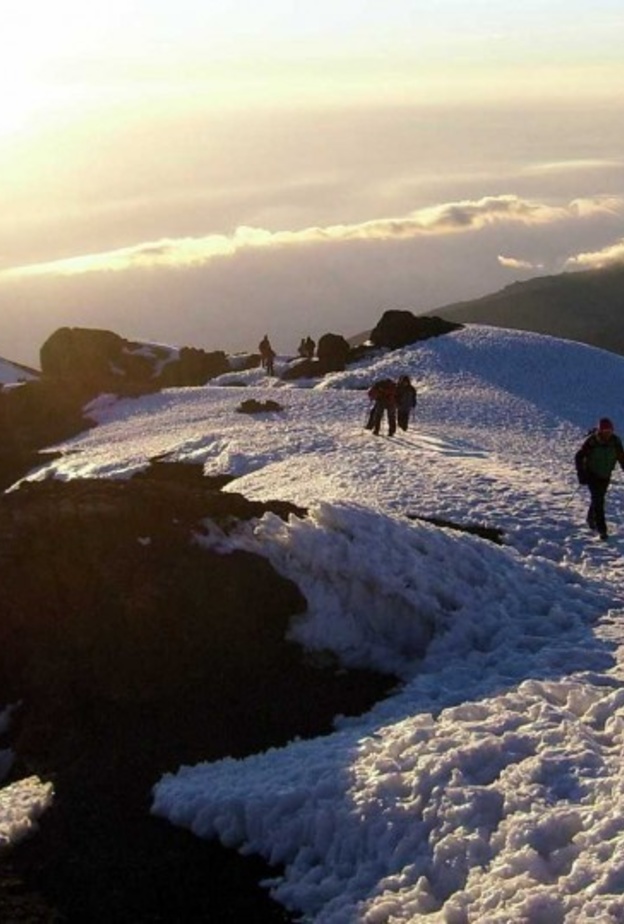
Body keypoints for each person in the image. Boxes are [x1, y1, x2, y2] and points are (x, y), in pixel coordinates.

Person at [575, 417, 624, 540]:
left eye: (610, 431)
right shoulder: (592, 441)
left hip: (605, 475)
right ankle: (602, 529)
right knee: (599, 500)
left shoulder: (616, 442)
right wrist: (581, 474)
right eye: (605, 431)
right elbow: (579, 457)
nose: (608, 433)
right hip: (592, 474)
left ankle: (590, 518)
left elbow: (622, 458)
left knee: (598, 498)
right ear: (600, 431)